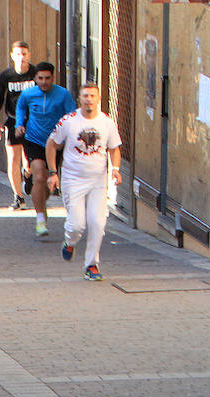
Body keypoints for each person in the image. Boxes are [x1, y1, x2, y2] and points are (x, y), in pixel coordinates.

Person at [46, 83, 122, 282]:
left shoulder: (107, 122)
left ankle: (91, 265)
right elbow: (51, 144)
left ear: (98, 99)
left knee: (97, 223)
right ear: (79, 99)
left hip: (97, 180)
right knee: (77, 225)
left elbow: (114, 148)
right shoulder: (69, 121)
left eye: (92, 96)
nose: (89, 99)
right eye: (85, 96)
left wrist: (115, 170)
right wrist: (53, 173)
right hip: (72, 179)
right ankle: (69, 242)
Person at [16, 62, 76, 238]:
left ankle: (41, 201)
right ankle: (40, 218)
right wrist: (20, 124)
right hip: (33, 140)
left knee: (49, 185)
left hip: (55, 142)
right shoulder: (28, 94)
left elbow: (71, 114)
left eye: (47, 78)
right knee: (40, 176)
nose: (43, 82)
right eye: (40, 78)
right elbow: (21, 107)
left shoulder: (62, 94)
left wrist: (70, 135)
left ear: (53, 77)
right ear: (35, 78)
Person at [0, 40, 34, 209]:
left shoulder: (35, 74)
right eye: (18, 54)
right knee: (13, 159)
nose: (21, 58)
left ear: (29, 55)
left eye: (24, 54)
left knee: (30, 160)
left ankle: (28, 173)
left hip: (33, 122)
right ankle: (18, 197)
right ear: (12, 56)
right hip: (13, 120)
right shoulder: (7, 76)